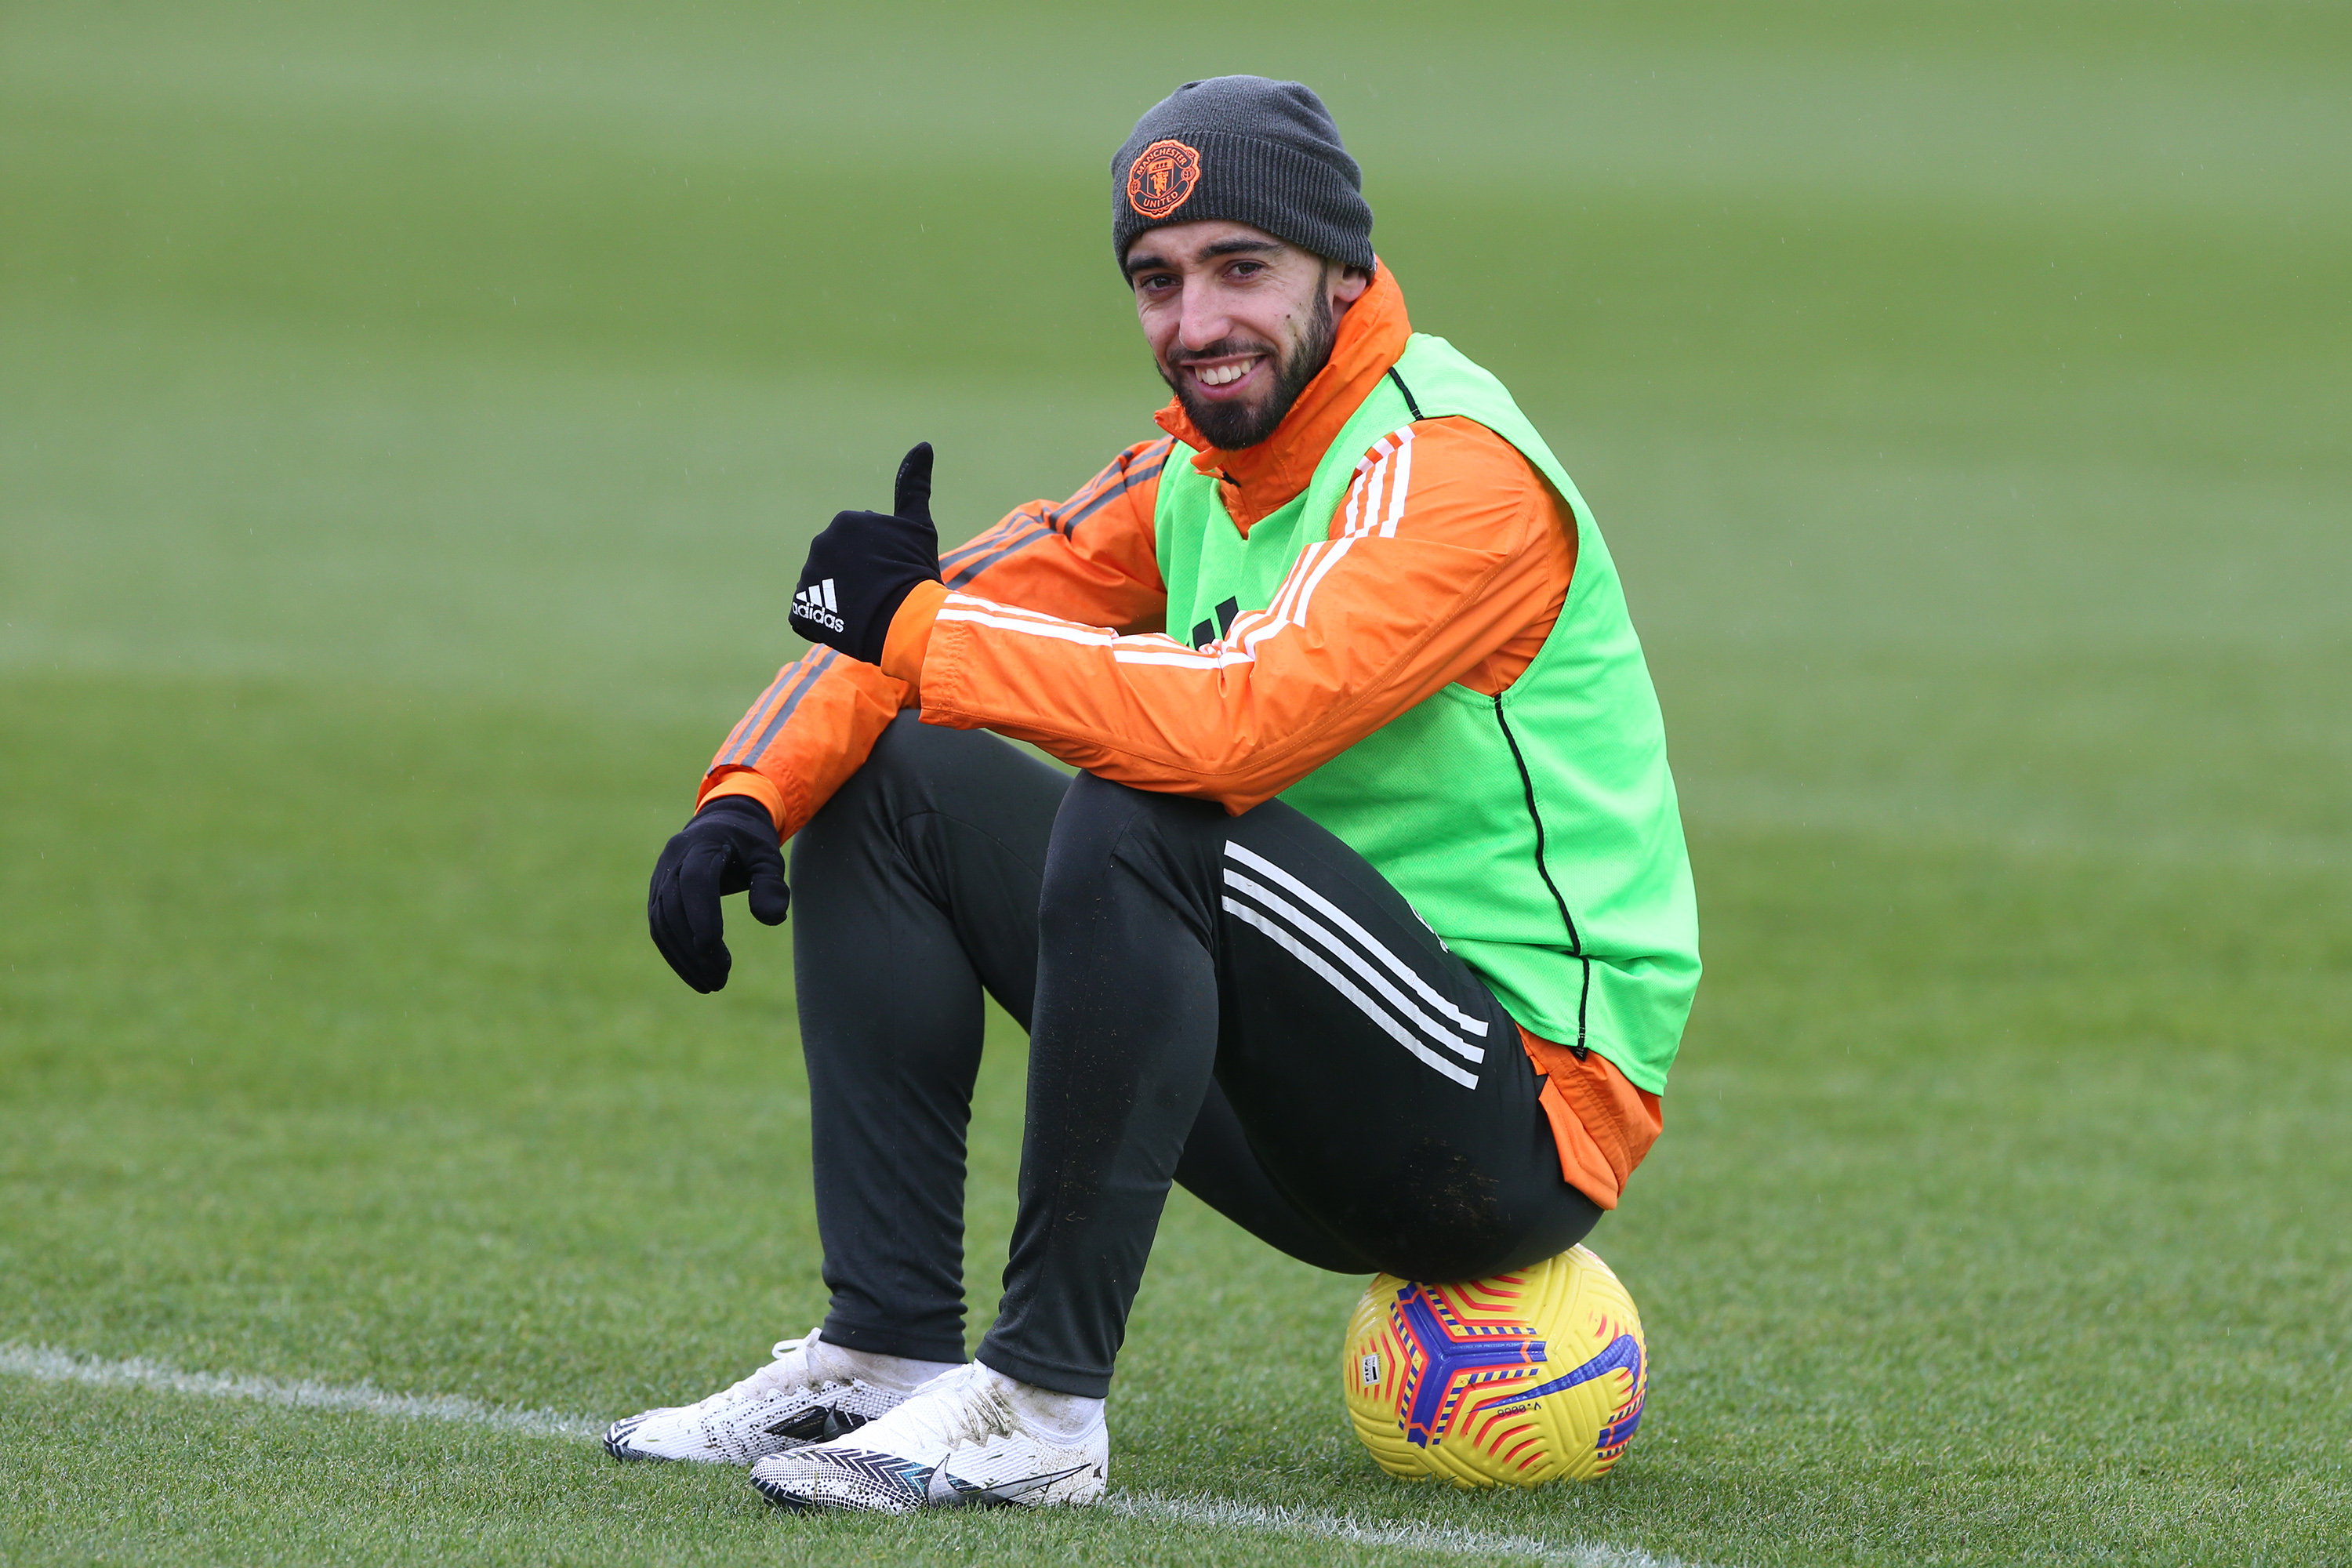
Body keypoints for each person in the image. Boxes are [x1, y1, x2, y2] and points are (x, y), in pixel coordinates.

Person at [611, 75, 1699, 1515]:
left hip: (1512, 1111)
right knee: (904, 768)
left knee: (1148, 807)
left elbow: (1237, 725)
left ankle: (1044, 1406)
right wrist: (746, 796)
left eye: (1241, 268)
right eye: (1158, 281)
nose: (1198, 325)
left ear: (1342, 267)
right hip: (1302, 1078)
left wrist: (923, 632)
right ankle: (879, 1356)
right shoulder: (1194, 466)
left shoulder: (1451, 471)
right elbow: (936, 620)